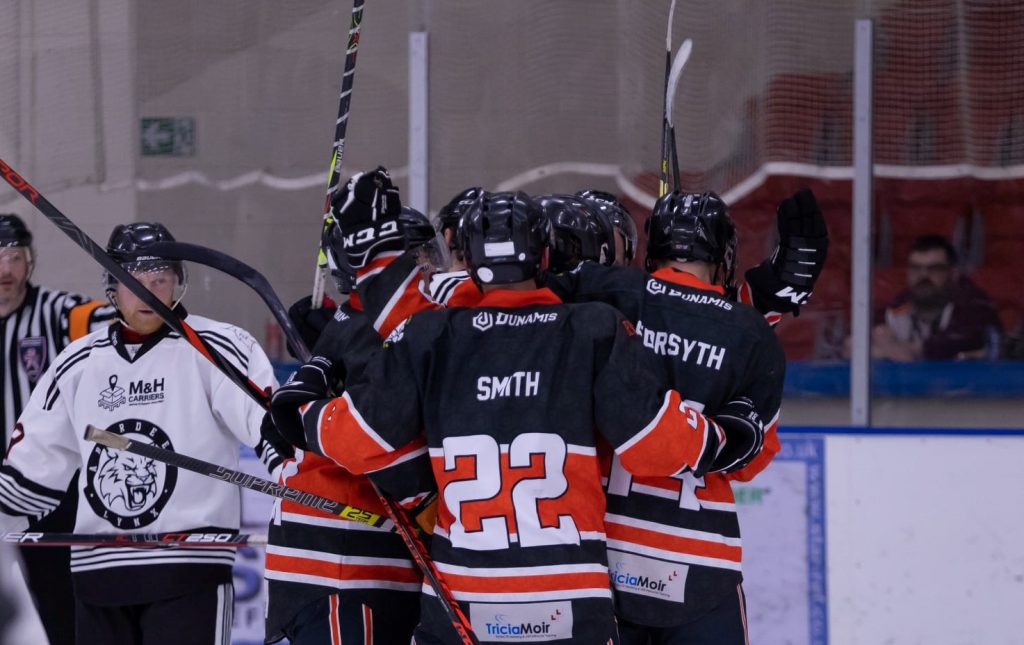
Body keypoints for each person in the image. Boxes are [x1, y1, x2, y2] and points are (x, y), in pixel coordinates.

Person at [277, 188, 761, 644]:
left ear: (470, 264)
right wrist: (727, 437)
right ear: (545, 257)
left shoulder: (435, 335)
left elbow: (359, 437)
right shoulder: (591, 330)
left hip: (467, 603)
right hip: (570, 602)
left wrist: (303, 406)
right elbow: (655, 446)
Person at [0, 222, 277, 645]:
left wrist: (307, 486)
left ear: (178, 282)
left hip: (188, 571)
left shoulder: (218, 347)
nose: (148, 293)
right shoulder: (77, 363)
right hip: (98, 579)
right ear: (112, 286)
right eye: (134, 281)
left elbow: (274, 433)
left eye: (160, 280)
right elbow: (31, 471)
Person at [543, 190, 788, 645]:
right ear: (724, 254)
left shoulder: (604, 292)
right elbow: (749, 461)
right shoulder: (751, 332)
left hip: (604, 561)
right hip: (701, 569)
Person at [0, 213, 113, 645]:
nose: (6, 268)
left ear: (30, 261)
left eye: (15, 257)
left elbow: (124, 317)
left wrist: (143, 286)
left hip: (47, 490)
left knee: (60, 605)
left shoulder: (59, 313)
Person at [872, 234, 1001, 360]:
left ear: (953, 273)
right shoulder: (903, 303)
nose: (923, 276)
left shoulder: (975, 303)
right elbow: (872, 329)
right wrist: (882, 336)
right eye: (915, 268)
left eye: (934, 269)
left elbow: (955, 343)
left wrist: (901, 350)